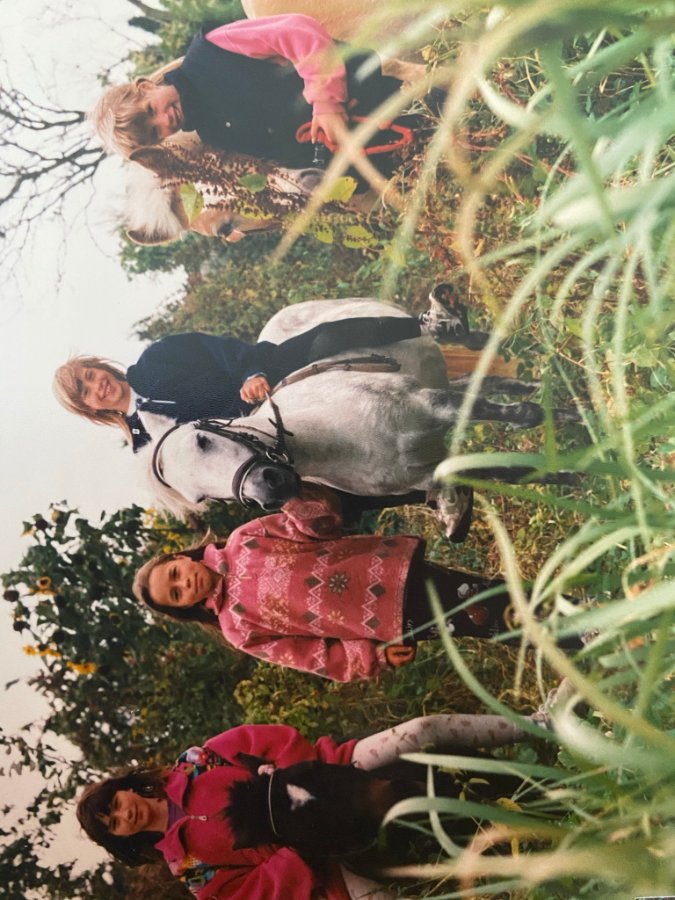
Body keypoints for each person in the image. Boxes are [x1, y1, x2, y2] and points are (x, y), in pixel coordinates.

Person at [76, 712, 552, 900]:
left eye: (114, 804)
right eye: (113, 823)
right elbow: (259, 893)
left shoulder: (195, 763)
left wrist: (301, 782)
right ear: (122, 839)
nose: (124, 814)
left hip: (328, 772)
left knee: (419, 731)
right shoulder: (191, 870)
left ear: (126, 788)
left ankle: (535, 724)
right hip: (322, 860)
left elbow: (265, 740)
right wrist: (297, 844)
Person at [132, 484, 560, 682]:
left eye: (175, 574)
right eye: (177, 594)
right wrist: (372, 658)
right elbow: (311, 656)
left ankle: (570, 612)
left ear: (178, 558)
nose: (184, 583)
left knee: (484, 593)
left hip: (388, 570)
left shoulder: (246, 539)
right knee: (480, 622)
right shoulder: (237, 628)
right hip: (386, 622)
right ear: (185, 607)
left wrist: (303, 503)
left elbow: (308, 526)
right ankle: (574, 639)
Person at [91, 13, 433, 176]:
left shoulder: (213, 49)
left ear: (146, 86)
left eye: (151, 110)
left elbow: (297, 32)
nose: (165, 120)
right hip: (382, 162)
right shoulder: (213, 136)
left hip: (388, 101)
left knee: (450, 115)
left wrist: (326, 103)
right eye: (156, 132)